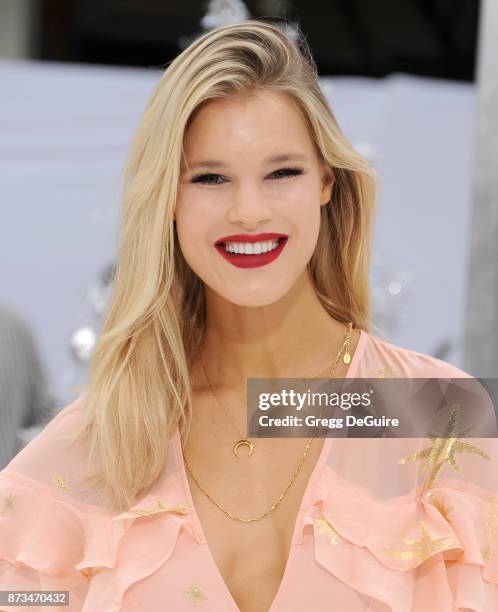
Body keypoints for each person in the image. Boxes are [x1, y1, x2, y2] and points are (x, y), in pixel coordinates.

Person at [1, 19, 497, 612]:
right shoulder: (101, 441)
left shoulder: (437, 414)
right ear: (169, 201)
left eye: (281, 172)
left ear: (326, 182)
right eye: (210, 178)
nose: (249, 211)